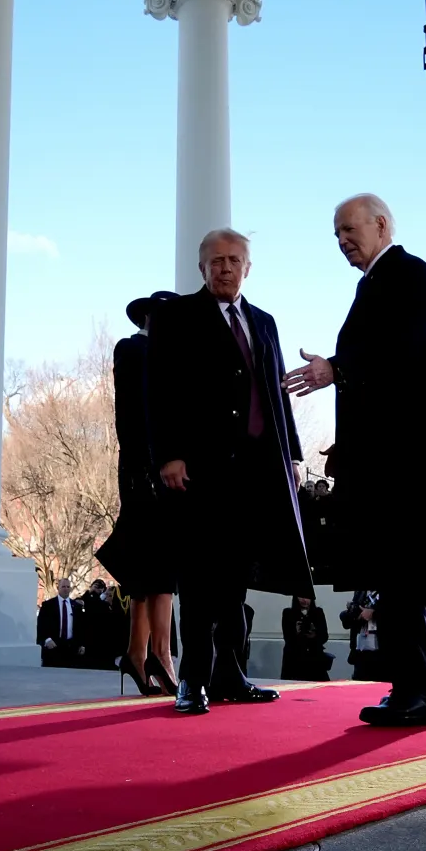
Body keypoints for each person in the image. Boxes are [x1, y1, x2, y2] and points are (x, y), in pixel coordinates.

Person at [284, 194, 426, 727]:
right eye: (335, 234)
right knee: (402, 577)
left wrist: (334, 368)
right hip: (387, 456)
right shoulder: (376, 283)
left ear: (382, 224)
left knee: (404, 576)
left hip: (403, 462)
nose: (342, 241)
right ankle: (424, 687)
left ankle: (419, 690)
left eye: (348, 229)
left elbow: (399, 351)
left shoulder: (408, 273)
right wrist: (349, 443)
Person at [147, 228, 314, 715]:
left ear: (248, 267)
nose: (225, 268)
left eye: (234, 260)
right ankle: (192, 680)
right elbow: (158, 392)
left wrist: (294, 456)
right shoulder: (176, 316)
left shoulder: (264, 322)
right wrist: (168, 456)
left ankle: (230, 674)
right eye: (215, 261)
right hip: (199, 470)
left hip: (257, 470)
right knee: (199, 577)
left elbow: (277, 394)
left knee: (237, 578)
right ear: (201, 269)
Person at [97, 289, 181, 696]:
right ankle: (161, 655)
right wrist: (141, 468)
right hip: (142, 470)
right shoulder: (133, 349)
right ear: (148, 318)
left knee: (149, 569)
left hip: (166, 470)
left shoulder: (172, 356)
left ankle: (137, 653)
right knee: (156, 564)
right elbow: (130, 415)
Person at [35, 578, 87, 669]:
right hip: (53, 647)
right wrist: (46, 640)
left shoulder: (76, 607)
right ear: (58, 588)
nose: (66, 589)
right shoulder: (48, 605)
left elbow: (81, 627)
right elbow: (41, 625)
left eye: (68, 586)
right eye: (63, 586)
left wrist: (82, 644)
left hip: (72, 649)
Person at [280, 596, 332, 681]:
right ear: (296, 598)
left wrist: (314, 635)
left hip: (314, 661)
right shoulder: (288, 613)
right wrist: (296, 632)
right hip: (294, 661)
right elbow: (288, 638)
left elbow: (324, 637)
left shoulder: (318, 612)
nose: (304, 600)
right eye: (301, 597)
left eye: (307, 597)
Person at [340, 591, 383, 681]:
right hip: (361, 651)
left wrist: (373, 613)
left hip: (382, 654)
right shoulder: (361, 591)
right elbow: (349, 620)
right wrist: (353, 613)